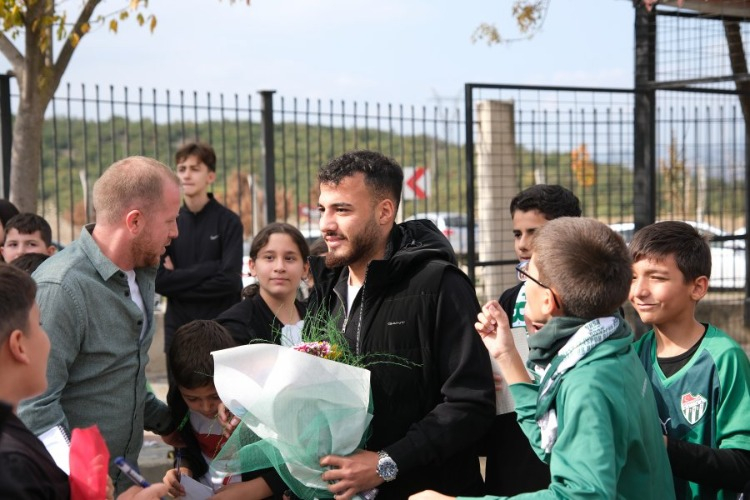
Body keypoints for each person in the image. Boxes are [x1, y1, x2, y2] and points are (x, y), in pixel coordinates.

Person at [413, 217, 675, 499]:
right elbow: (553, 440)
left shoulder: (588, 382)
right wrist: (508, 356)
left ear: (549, 300)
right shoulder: (610, 342)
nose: (523, 280)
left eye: (528, 274)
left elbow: (581, 495)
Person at [307, 150, 495, 498]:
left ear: (384, 212)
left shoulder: (439, 285)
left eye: (342, 209)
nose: (325, 225)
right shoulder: (324, 291)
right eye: (323, 209)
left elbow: (470, 405)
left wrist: (385, 463)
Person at [17, 156, 181, 495]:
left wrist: (174, 425)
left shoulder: (140, 274)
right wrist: (86, 481)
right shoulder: (62, 288)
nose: (175, 232)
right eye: (170, 220)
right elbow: (35, 407)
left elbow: (120, 374)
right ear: (134, 221)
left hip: (124, 482)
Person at [0, 263, 171, 500]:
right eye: (40, 326)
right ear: (19, 345)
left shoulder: (15, 438)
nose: (48, 340)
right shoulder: (12, 466)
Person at [629, 220, 750, 498]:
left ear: (697, 287)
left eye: (656, 278)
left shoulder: (724, 358)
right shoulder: (632, 356)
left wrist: (661, 446)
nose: (639, 291)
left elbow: (742, 465)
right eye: (633, 277)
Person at [486, 184, 581, 496]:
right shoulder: (510, 299)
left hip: (564, 442)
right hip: (514, 440)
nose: (523, 245)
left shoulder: (590, 303)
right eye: (517, 234)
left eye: (534, 232)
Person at [164, 319, 289, 499]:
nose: (206, 407)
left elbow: (296, 461)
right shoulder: (178, 403)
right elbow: (189, 449)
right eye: (192, 399)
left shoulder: (257, 402)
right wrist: (183, 469)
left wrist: (255, 490)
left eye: (215, 396)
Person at [155, 141, 243, 359]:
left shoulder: (229, 222)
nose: (187, 175)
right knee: (177, 394)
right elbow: (160, 281)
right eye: (182, 169)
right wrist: (212, 267)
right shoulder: (167, 222)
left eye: (195, 169)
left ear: (210, 177)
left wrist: (178, 278)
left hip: (221, 329)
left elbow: (231, 282)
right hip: (178, 328)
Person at [217, 222, 308, 346]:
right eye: (269, 257)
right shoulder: (235, 326)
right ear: (252, 266)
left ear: (305, 268)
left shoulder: (319, 317)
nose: (280, 267)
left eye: (289, 258)